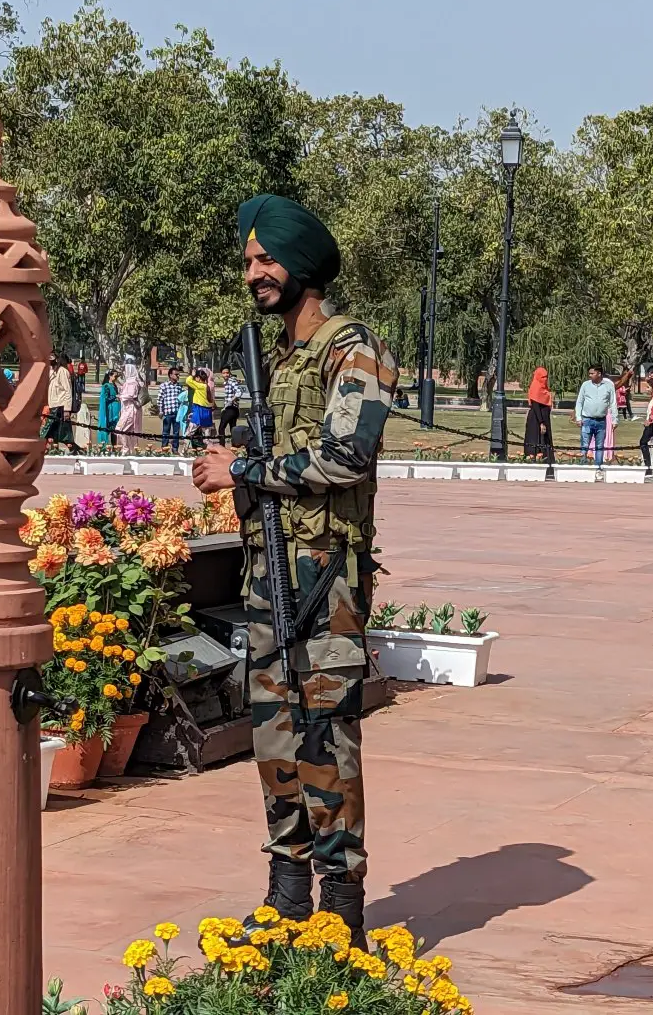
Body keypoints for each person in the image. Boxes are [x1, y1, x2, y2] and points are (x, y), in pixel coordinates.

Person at [192, 192, 398, 947]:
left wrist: (244, 465)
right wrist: (231, 473)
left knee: (327, 739)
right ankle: (287, 891)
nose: (253, 273)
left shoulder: (355, 348)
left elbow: (347, 455)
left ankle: (341, 904)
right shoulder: (278, 360)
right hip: (268, 574)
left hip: (325, 585)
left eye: (266, 258)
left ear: (302, 262)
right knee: (274, 733)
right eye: (248, 261)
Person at [575, 364, 617, 468]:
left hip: (601, 421)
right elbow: (579, 402)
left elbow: (613, 403)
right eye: (589, 373)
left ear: (599, 374)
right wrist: (578, 418)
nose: (590, 375)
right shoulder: (585, 385)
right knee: (584, 445)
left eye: (592, 373)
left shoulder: (608, 386)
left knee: (599, 446)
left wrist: (615, 419)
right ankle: (583, 466)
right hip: (587, 420)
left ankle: (598, 467)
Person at [41, 351, 78, 453]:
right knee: (53, 434)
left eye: (51, 357)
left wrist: (67, 409)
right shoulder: (51, 371)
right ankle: (54, 451)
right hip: (53, 406)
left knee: (64, 435)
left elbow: (68, 391)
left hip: (61, 407)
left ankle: (74, 451)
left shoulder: (63, 371)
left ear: (57, 359)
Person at [523, 366, 554, 461]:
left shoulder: (545, 388)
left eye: (546, 377)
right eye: (542, 377)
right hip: (536, 419)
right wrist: (541, 423)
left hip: (544, 418)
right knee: (535, 439)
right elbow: (536, 407)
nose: (545, 379)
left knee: (545, 440)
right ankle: (534, 459)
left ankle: (547, 461)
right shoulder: (535, 388)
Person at [115, 361, 144, 454]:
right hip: (127, 408)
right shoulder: (129, 381)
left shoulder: (132, 382)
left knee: (120, 429)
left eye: (125, 370)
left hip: (131, 409)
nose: (123, 372)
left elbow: (132, 395)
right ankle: (129, 449)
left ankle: (126, 448)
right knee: (128, 431)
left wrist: (120, 396)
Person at [185, 367, 215, 448]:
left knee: (188, 433)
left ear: (198, 378)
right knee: (206, 437)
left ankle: (184, 451)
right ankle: (209, 452)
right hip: (207, 413)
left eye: (196, 378)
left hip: (199, 412)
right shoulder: (207, 386)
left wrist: (193, 374)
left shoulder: (200, 386)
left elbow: (188, 381)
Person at [157, 367, 183, 453]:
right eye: (176, 374)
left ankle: (175, 449)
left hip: (177, 413)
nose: (178, 376)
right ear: (170, 375)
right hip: (167, 412)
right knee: (165, 432)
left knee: (176, 433)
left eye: (178, 374)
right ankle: (164, 449)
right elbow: (160, 399)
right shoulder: (164, 386)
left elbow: (181, 400)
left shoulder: (179, 387)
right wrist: (161, 411)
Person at [218, 365, 244, 446]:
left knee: (221, 427)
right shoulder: (228, 382)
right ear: (221, 374)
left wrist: (230, 401)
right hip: (234, 409)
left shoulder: (231, 381)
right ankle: (234, 447)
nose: (226, 374)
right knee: (233, 428)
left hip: (231, 408)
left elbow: (239, 392)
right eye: (224, 373)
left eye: (227, 373)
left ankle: (222, 446)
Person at [98, 370, 120, 446]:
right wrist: (114, 397)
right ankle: (105, 446)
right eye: (115, 376)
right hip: (110, 410)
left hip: (116, 410)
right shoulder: (106, 386)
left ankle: (114, 447)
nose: (116, 378)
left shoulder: (114, 385)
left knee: (115, 430)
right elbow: (105, 398)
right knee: (109, 428)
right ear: (110, 376)